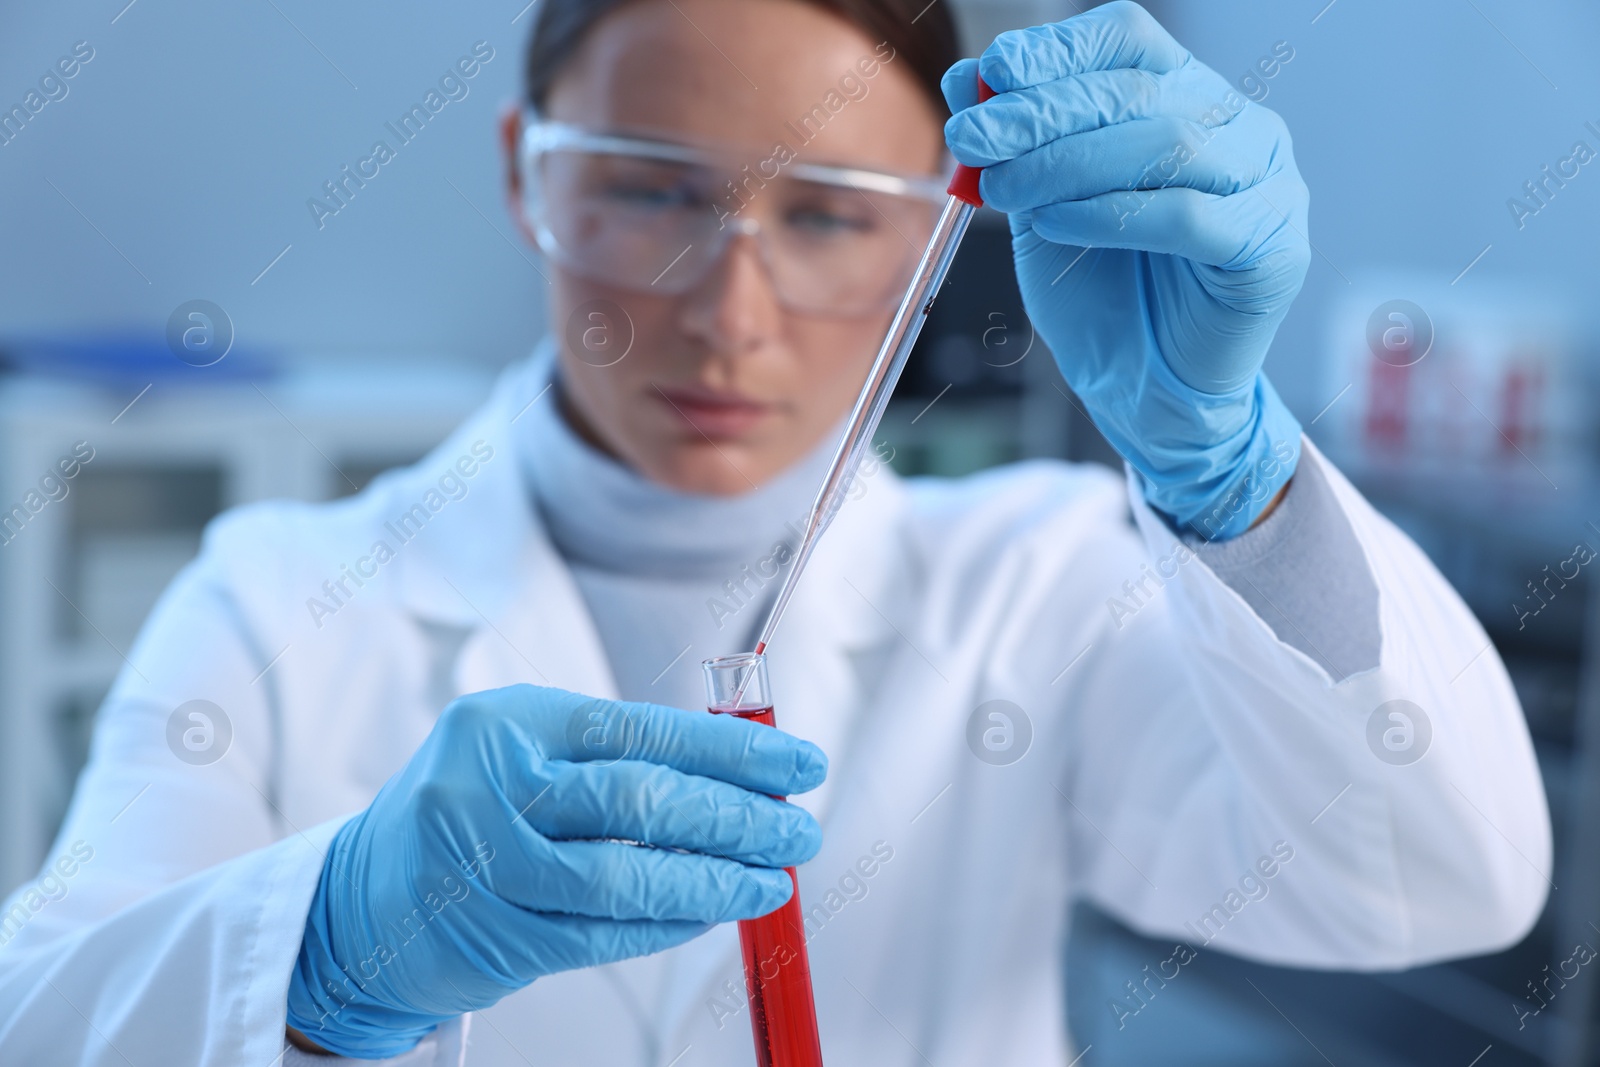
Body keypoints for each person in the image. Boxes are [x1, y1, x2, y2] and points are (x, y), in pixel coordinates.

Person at [0, 1, 1550, 1064]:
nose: (728, 315)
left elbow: (1444, 884)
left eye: (824, 214)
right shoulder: (278, 608)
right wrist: (317, 961)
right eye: (652, 194)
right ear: (522, 176)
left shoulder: (1043, 586)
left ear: (936, 227)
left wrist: (1232, 475)